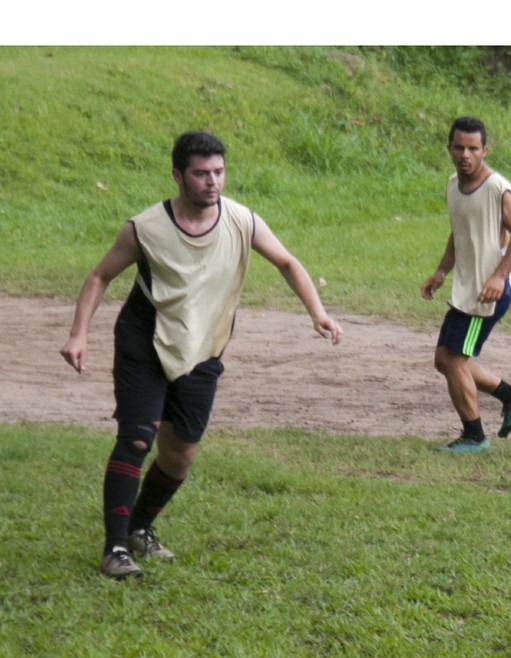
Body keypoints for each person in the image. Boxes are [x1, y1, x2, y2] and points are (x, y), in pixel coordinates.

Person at [60, 130, 344, 580]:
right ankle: (114, 548)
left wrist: (318, 313)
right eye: (200, 174)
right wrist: (79, 335)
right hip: (144, 341)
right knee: (137, 438)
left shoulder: (242, 221)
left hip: (203, 347)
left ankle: (140, 528)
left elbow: (288, 262)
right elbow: (99, 277)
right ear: (177, 175)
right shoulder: (144, 228)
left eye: (218, 172)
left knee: (180, 456)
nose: (212, 182)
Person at [421, 116, 511, 453]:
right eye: (459, 147)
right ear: (449, 149)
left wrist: (499, 276)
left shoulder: (498, 188)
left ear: (485, 150)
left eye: (473, 148)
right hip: (466, 290)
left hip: (488, 293)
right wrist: (441, 271)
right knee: (445, 359)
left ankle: (474, 437)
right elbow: (460, 232)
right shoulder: (453, 184)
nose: (465, 154)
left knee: (453, 360)